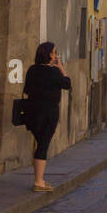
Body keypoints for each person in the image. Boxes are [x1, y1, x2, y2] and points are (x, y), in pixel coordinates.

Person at [24, 42, 71, 192]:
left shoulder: (32, 70)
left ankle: (40, 178)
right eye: (54, 52)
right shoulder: (54, 73)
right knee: (43, 146)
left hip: (32, 112)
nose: (56, 55)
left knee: (40, 144)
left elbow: (27, 90)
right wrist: (61, 67)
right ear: (49, 54)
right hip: (48, 114)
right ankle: (39, 182)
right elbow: (67, 84)